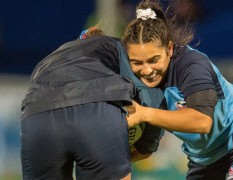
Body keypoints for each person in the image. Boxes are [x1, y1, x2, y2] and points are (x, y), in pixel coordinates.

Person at [122, 0, 233, 179]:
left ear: (169, 48)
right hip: (204, 160)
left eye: (153, 60)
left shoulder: (192, 65)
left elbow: (202, 122)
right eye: (137, 62)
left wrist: (145, 114)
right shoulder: (138, 85)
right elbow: (146, 147)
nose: (147, 70)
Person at [20, 27, 164, 180]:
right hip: (94, 111)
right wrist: (148, 143)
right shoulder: (116, 46)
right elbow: (151, 88)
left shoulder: (48, 60)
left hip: (36, 119)